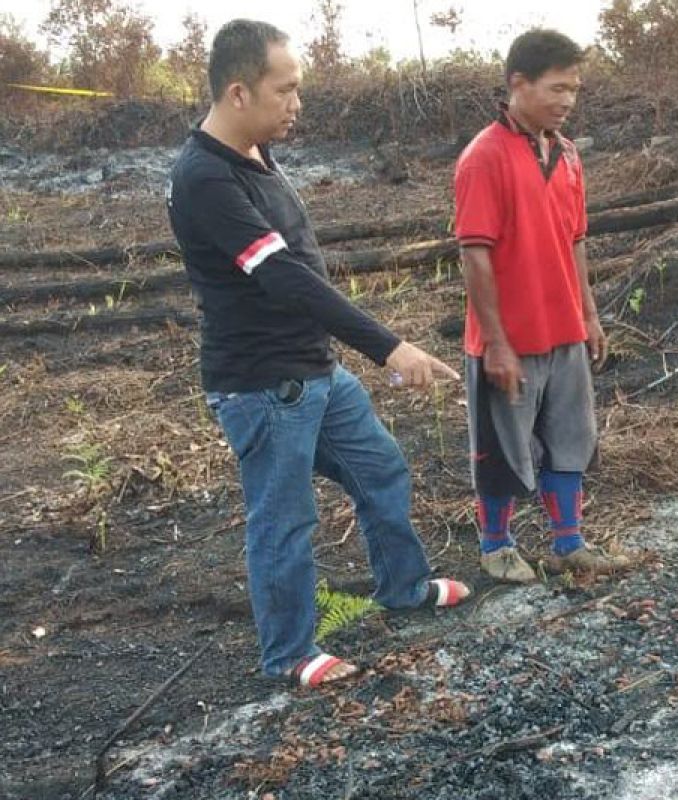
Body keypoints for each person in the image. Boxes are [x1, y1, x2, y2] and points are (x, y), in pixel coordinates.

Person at [166, 19, 469, 688]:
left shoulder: (256, 154)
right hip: (264, 385)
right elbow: (283, 277)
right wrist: (390, 348)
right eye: (287, 89)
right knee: (285, 517)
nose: (297, 103)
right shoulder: (204, 179)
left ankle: (403, 587)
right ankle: (289, 654)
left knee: (381, 469)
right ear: (239, 92)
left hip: (315, 372)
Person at [455, 29, 630, 583]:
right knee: (503, 449)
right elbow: (474, 252)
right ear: (518, 85)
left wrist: (589, 313)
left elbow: (575, 238)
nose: (566, 101)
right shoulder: (484, 157)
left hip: (564, 332)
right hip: (510, 338)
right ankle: (496, 545)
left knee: (569, 439)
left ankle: (568, 542)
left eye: (574, 91)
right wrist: (498, 343)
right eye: (556, 89)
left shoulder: (569, 155)